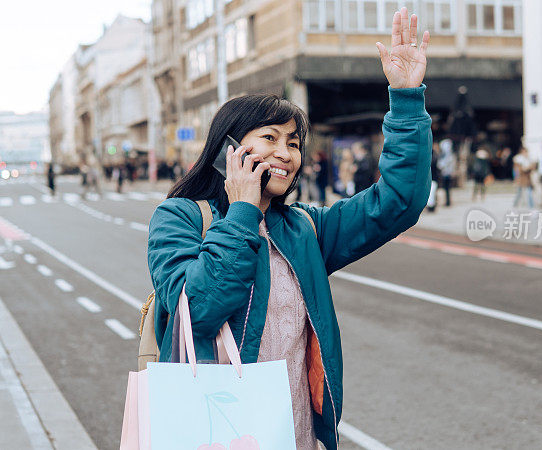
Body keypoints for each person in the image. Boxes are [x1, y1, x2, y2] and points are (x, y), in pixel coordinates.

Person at [146, 10, 431, 449]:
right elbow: (201, 309)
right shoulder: (180, 218)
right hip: (216, 434)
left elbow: (397, 202)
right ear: (229, 149)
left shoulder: (303, 229)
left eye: (294, 143)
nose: (285, 153)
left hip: (297, 437)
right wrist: (242, 210)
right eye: (271, 138)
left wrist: (407, 97)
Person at [437, 138, 455, 206]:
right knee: (447, 189)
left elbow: (441, 165)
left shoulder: (447, 156)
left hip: (446, 174)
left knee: (447, 189)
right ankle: (447, 201)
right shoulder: (449, 155)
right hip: (447, 173)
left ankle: (448, 202)